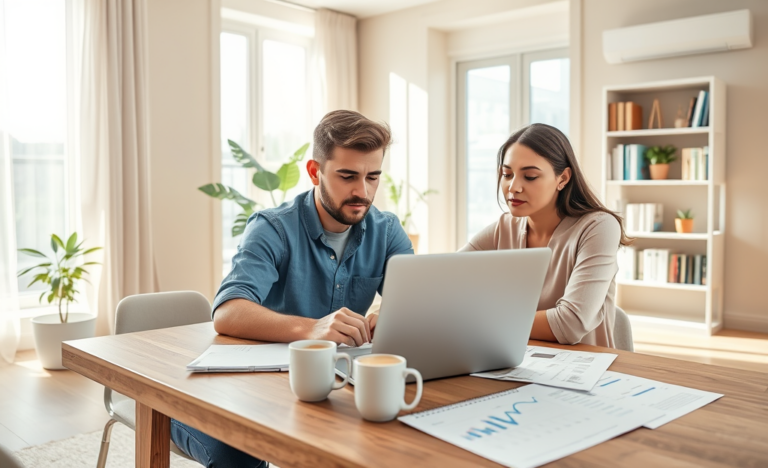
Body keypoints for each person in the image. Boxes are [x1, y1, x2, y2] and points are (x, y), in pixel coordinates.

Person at [171, 110, 413, 468]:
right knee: (239, 452)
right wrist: (311, 328)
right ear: (315, 172)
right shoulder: (272, 228)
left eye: (372, 177)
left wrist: (390, 317)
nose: (363, 191)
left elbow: (414, 303)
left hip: (329, 384)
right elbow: (228, 311)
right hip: (251, 386)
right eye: (347, 176)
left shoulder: (387, 230)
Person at [460, 123, 631, 348]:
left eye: (529, 176)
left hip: (586, 371)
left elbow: (570, 324)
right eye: (507, 174)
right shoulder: (505, 227)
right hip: (521, 361)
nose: (513, 187)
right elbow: (446, 283)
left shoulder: (598, 227)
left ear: (563, 178)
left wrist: (483, 320)